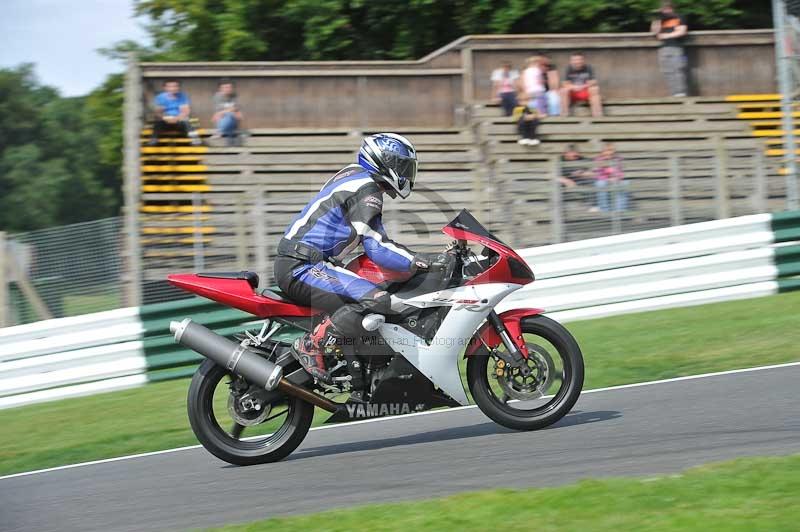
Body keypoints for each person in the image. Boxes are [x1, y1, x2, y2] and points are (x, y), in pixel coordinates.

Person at [274, 133, 452, 382]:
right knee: (377, 299)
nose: (406, 173)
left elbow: (375, 239)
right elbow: (377, 247)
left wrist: (412, 259)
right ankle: (311, 345)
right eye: (402, 166)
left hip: (305, 262)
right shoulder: (367, 188)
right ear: (384, 161)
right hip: (302, 266)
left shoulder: (353, 175)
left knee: (371, 289)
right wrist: (420, 260)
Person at [651, 1, 689, 97]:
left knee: (678, 69)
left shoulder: (679, 17)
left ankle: (681, 93)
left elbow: (681, 32)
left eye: (666, 9)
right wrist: (657, 18)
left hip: (677, 48)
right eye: (663, 9)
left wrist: (665, 36)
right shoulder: (661, 20)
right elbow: (654, 31)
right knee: (667, 71)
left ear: (671, 8)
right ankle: (674, 93)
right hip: (664, 48)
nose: (664, 11)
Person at [149, 79, 201, 146]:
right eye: (170, 86)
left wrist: (176, 118)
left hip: (179, 121)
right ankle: (153, 139)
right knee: (158, 122)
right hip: (165, 121)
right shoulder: (160, 97)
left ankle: (195, 139)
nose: (173, 88)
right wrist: (166, 118)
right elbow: (159, 112)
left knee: (188, 122)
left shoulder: (183, 96)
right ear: (165, 88)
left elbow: (185, 111)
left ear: (178, 87)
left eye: (175, 86)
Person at [560, 52, 603, 118]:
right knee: (563, 90)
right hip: (573, 92)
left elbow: (593, 82)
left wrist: (582, 87)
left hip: (585, 91)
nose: (577, 62)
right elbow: (564, 83)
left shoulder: (588, 67)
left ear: (583, 60)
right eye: (575, 60)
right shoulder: (568, 68)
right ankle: (564, 115)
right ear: (571, 61)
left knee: (595, 89)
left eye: (579, 59)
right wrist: (573, 87)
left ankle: (597, 115)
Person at [592, 143, 628, 212]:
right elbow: (597, 173)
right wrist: (607, 179)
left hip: (615, 180)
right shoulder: (598, 160)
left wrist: (616, 178)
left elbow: (620, 173)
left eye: (611, 150)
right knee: (600, 184)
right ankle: (604, 210)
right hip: (603, 180)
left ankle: (620, 210)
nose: (608, 152)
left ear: (614, 152)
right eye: (606, 150)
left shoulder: (618, 159)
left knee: (625, 184)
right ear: (602, 152)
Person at [212, 79, 244, 146]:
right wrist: (231, 110)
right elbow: (217, 114)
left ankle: (219, 131)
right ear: (220, 89)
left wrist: (225, 112)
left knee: (229, 115)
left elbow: (240, 116)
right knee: (228, 115)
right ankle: (222, 132)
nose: (228, 89)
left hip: (233, 122)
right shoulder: (217, 96)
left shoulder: (235, 96)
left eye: (229, 87)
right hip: (222, 122)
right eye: (225, 87)